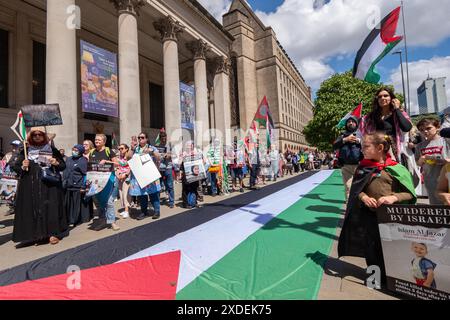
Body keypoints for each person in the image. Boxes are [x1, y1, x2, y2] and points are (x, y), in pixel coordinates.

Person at [338, 132, 416, 286]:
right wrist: (364, 197)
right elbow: (356, 190)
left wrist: (393, 198)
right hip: (370, 216)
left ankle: (393, 281)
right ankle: (374, 279)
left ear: (380, 148)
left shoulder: (397, 169)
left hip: (391, 218)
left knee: (391, 248)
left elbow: (409, 194)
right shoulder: (363, 168)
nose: (362, 150)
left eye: (366, 146)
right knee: (371, 249)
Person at [12, 127, 68, 245]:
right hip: (30, 185)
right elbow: (15, 167)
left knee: (50, 208)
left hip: (49, 185)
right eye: (34, 135)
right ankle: (35, 234)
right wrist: (23, 165)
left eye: (40, 134)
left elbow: (63, 166)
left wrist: (56, 162)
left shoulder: (52, 150)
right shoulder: (25, 151)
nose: (37, 136)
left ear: (44, 136)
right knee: (33, 207)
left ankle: (53, 234)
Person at [358, 87, 412, 162]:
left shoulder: (398, 113)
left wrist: (396, 108)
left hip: (395, 150)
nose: (382, 98)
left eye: (385, 96)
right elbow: (362, 133)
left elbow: (406, 128)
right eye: (379, 97)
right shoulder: (369, 118)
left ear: (392, 98)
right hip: (377, 151)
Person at [88, 134, 120, 231]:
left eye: (99, 139)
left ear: (104, 142)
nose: (96, 141)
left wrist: (106, 161)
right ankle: (103, 221)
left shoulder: (109, 151)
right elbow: (90, 166)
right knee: (100, 203)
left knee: (109, 201)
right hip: (97, 181)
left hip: (109, 180)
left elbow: (117, 163)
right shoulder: (92, 152)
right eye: (95, 139)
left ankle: (112, 222)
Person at [415, 118, 450, 205]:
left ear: (437, 127)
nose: (425, 131)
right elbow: (418, 163)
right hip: (430, 180)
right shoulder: (420, 146)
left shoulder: (446, 141)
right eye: (422, 130)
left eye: (428, 128)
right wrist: (421, 159)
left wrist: (441, 160)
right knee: (435, 206)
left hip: (446, 179)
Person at [129, 132, 161, 220]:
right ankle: (144, 212)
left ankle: (157, 211)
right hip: (139, 175)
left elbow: (159, 158)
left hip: (149, 174)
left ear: (146, 139)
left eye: (142, 137)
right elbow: (128, 158)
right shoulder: (135, 149)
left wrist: (153, 152)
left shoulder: (152, 148)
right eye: (139, 137)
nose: (140, 139)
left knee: (153, 194)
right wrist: (131, 149)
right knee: (142, 195)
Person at [333, 116, 363, 200]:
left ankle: (360, 209)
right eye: (348, 122)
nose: (350, 123)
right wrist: (345, 139)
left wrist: (359, 140)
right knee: (348, 188)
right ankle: (349, 210)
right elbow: (335, 145)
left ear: (356, 124)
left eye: (352, 121)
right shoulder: (342, 135)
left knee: (361, 188)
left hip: (360, 165)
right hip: (346, 166)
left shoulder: (361, 133)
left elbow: (368, 144)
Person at [63, 144, 91, 227]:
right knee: (68, 204)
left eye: (76, 150)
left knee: (76, 205)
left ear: (81, 151)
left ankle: (73, 220)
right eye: (73, 149)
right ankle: (69, 219)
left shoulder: (83, 160)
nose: (74, 151)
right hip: (68, 185)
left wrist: (83, 186)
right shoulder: (68, 159)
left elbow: (86, 174)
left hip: (77, 186)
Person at [156, 130, 175, 208]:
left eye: (165, 138)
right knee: (158, 186)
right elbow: (156, 155)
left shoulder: (170, 145)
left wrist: (168, 155)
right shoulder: (157, 145)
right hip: (160, 168)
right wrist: (160, 156)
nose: (164, 139)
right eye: (162, 138)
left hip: (168, 168)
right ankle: (157, 203)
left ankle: (171, 202)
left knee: (170, 185)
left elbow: (173, 154)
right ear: (160, 138)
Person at [116, 143, 131, 219]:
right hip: (120, 177)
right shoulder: (119, 157)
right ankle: (125, 209)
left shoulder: (129, 157)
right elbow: (118, 167)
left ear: (126, 149)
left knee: (126, 194)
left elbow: (130, 168)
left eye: (122, 148)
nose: (120, 150)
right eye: (119, 149)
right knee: (121, 193)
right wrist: (118, 174)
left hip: (127, 178)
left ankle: (127, 211)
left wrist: (125, 175)